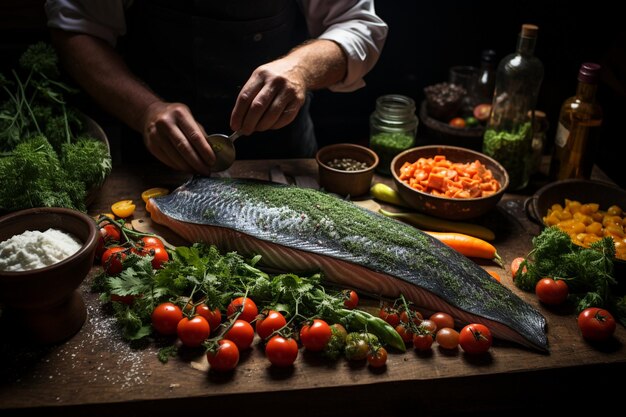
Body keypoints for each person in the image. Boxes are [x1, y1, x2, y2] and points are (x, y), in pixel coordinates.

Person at [44, 1, 388, 175]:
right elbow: (77, 28)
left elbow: (358, 24)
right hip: (155, 157)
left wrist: (300, 68)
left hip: (281, 156)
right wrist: (144, 109)